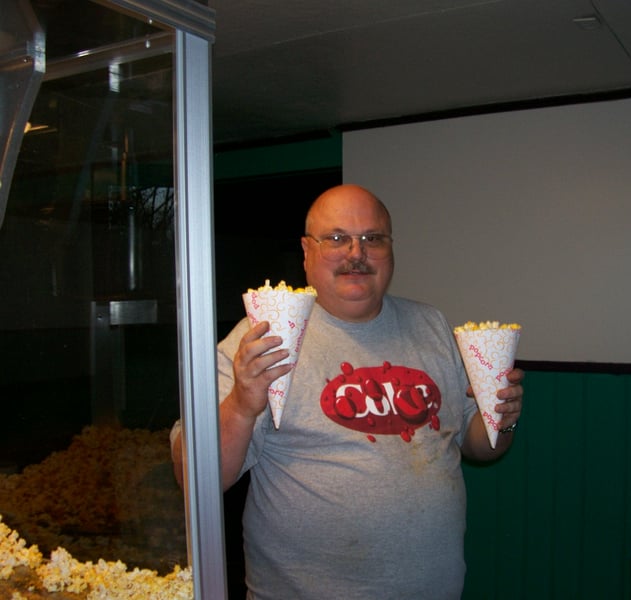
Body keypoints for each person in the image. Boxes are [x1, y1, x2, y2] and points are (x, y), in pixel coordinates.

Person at [171, 184, 524, 599]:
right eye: (336, 238)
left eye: (372, 238)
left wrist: (501, 419)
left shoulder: (431, 326)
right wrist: (242, 407)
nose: (356, 253)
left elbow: (477, 445)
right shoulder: (260, 337)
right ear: (306, 252)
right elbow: (194, 477)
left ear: (390, 249)